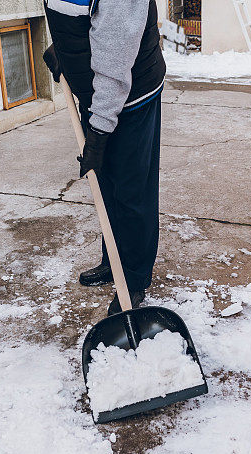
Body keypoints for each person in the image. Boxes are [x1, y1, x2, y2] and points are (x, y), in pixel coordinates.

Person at [43, 0, 166, 316]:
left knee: (131, 191)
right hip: (97, 91)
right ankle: (113, 260)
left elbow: (114, 62)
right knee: (105, 183)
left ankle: (134, 280)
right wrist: (67, 50)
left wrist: (99, 130)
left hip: (131, 93)